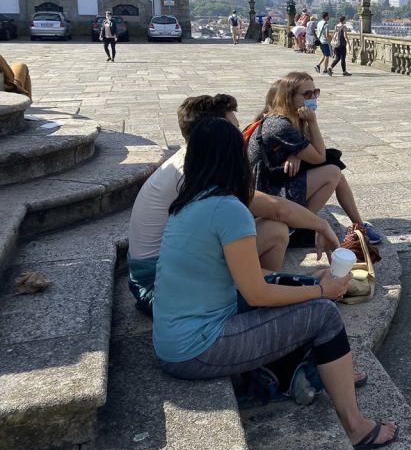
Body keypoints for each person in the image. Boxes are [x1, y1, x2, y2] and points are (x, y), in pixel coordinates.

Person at [153, 117, 398, 450]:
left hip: (177, 337)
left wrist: (308, 283)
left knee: (292, 284)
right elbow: (256, 293)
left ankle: (325, 371)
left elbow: (252, 272)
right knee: (322, 313)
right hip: (196, 349)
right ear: (235, 158)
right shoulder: (228, 209)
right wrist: (321, 291)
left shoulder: (192, 201)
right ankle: (355, 427)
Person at [128, 94, 340, 315]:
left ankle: (264, 289)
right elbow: (277, 208)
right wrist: (321, 227)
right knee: (274, 237)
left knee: (275, 230)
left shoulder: (193, 159)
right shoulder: (194, 173)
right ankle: (264, 297)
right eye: (234, 129)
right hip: (160, 284)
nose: (242, 136)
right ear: (214, 131)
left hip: (169, 267)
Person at [247, 72, 382, 243]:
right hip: (265, 192)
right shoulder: (280, 125)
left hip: (273, 182)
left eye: (315, 92)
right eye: (307, 94)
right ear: (289, 97)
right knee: (333, 172)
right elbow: (319, 156)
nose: (313, 98)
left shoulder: (288, 118)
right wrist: (313, 122)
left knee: (337, 176)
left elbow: (309, 147)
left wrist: (296, 153)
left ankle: (358, 224)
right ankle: (299, 227)